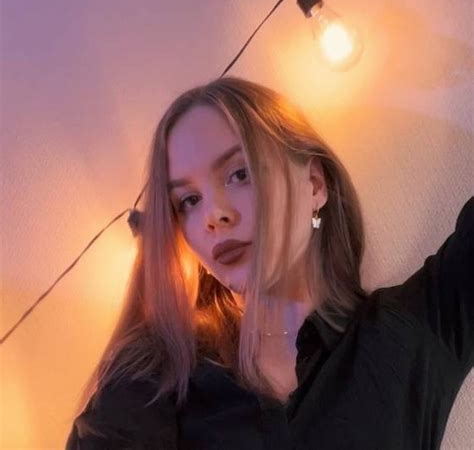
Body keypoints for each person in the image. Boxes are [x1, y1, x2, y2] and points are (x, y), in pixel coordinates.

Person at [65, 76, 473, 449]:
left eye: (239, 173)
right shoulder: (155, 375)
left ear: (315, 184)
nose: (213, 216)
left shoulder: (409, 331)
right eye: (188, 200)